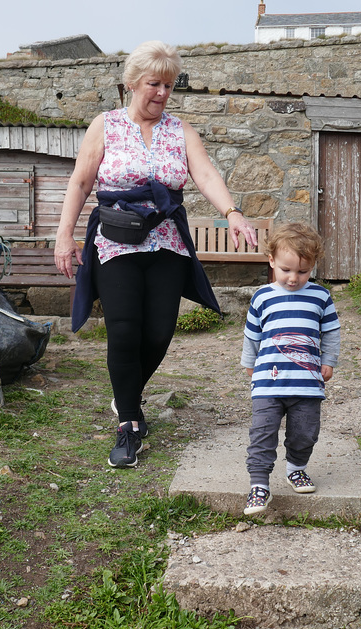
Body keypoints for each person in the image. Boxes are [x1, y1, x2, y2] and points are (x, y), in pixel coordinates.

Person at [54, 40, 257, 469]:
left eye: (168, 85)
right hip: (115, 241)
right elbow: (80, 182)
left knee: (160, 332)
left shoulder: (181, 130)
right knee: (124, 330)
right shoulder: (104, 126)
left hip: (166, 241)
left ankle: (125, 394)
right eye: (154, 84)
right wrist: (63, 236)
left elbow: (204, 173)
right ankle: (128, 423)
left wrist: (233, 212)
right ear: (132, 84)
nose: (162, 93)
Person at [240, 222, 341, 515]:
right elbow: (252, 335)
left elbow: (331, 333)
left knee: (305, 432)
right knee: (262, 432)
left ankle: (296, 468)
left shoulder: (320, 297)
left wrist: (328, 361)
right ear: (271, 261)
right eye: (286, 270)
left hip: (306, 383)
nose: (293, 278)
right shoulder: (262, 296)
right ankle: (259, 485)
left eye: (302, 271)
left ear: (313, 266)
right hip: (268, 383)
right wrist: (250, 364)